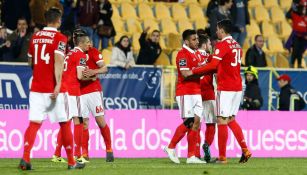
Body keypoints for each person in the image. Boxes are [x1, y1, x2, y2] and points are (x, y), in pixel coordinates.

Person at [19, 7, 85, 170]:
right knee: (64, 123)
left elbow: (30, 62)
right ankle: (71, 162)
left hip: (36, 87)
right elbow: (58, 61)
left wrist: (39, 70)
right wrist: (57, 84)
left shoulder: (35, 36)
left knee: (34, 123)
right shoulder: (60, 37)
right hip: (53, 89)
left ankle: (25, 158)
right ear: (58, 21)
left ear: (45, 20)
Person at [182, 20, 252, 164]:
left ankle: (222, 157)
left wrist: (193, 71)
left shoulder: (222, 45)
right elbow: (223, 65)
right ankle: (245, 150)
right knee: (231, 119)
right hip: (237, 86)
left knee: (221, 120)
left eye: (217, 29)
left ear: (222, 30)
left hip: (226, 87)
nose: (216, 32)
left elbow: (213, 65)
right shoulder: (237, 45)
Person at [164, 29, 206, 164]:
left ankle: (191, 156)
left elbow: (199, 71)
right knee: (189, 122)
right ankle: (170, 147)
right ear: (186, 41)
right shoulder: (182, 54)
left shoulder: (197, 54)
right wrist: (201, 70)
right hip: (185, 92)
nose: (197, 41)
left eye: (197, 39)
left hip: (196, 92)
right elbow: (186, 73)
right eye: (194, 39)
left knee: (197, 123)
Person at [52, 29, 92, 164]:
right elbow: (80, 76)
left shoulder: (69, 53)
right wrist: (92, 76)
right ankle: (77, 155)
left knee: (66, 122)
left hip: (64, 90)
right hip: (73, 91)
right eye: (87, 42)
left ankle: (57, 154)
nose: (89, 44)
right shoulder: (80, 55)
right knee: (78, 121)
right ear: (81, 44)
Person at [80, 41, 113, 162]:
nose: (89, 44)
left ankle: (109, 149)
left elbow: (104, 68)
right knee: (84, 123)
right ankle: (85, 153)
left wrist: (94, 72)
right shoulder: (75, 54)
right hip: (80, 92)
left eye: (89, 41)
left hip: (94, 91)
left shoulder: (94, 52)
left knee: (100, 121)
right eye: (86, 41)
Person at [197, 35, 216, 163]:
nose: (210, 46)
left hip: (194, 94)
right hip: (208, 94)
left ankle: (194, 154)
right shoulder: (210, 58)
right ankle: (207, 145)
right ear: (204, 45)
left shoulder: (191, 56)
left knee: (195, 126)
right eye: (209, 44)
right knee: (211, 124)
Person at [285, 0, 307, 68]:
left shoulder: (306, 17)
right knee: (295, 50)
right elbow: (287, 15)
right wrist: (292, 7)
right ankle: (292, 63)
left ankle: (299, 64)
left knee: (301, 51)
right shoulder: (295, 15)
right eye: (302, 9)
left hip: (304, 37)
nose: (303, 10)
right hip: (296, 36)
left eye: (305, 9)